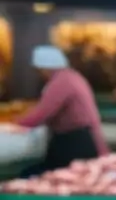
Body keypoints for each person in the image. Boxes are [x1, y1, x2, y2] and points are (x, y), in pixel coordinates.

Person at [11, 45, 108, 175]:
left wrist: (13, 125)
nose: (39, 74)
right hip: (76, 140)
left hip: (75, 142)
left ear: (46, 68)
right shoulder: (72, 77)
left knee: (37, 176)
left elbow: (41, 114)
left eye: (39, 70)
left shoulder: (62, 82)